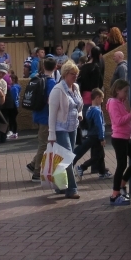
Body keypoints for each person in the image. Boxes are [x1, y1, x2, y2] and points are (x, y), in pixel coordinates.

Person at [46, 61, 83, 199]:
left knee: (66, 158)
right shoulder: (57, 90)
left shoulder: (76, 87)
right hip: (61, 128)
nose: (75, 77)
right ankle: (72, 189)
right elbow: (52, 114)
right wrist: (51, 134)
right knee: (68, 157)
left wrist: (80, 114)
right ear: (65, 74)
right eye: (73, 74)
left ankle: (61, 186)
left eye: (76, 74)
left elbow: (78, 105)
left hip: (73, 127)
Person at [107, 78, 131, 206]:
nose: (126, 94)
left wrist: (130, 111)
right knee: (121, 165)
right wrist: (130, 114)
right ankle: (114, 195)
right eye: (125, 91)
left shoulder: (122, 102)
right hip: (119, 138)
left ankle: (122, 184)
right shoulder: (113, 103)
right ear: (117, 90)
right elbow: (118, 121)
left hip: (127, 137)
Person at [28, 56, 59, 182]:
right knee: (44, 144)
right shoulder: (51, 82)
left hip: (37, 114)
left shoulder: (38, 78)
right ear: (55, 67)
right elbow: (51, 101)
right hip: (47, 116)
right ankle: (36, 172)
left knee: (44, 143)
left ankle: (33, 164)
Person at [73, 88, 108, 179]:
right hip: (96, 135)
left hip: (92, 134)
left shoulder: (89, 109)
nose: (102, 101)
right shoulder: (97, 111)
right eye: (101, 98)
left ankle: (102, 172)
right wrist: (102, 138)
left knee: (100, 155)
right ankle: (82, 167)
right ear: (97, 98)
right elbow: (99, 125)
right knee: (98, 156)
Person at [2, 73, 21, 141]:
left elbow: (14, 97)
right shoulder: (16, 86)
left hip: (13, 105)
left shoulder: (14, 88)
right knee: (12, 119)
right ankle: (13, 132)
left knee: (11, 119)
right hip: (14, 105)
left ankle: (13, 132)